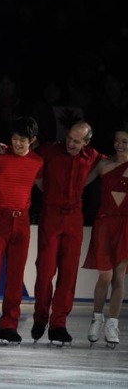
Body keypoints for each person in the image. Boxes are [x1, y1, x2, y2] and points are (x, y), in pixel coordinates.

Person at [30, 121, 105, 345]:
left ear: (86, 142)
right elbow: (27, 155)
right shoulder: (50, 150)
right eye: (69, 138)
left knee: (69, 273)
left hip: (74, 218)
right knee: (45, 270)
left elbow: (110, 165)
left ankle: (58, 324)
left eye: (76, 141)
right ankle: (40, 317)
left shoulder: (93, 156)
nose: (71, 143)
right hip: (51, 215)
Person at [0, 116, 44, 344]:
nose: (17, 144)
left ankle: (9, 325)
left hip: (22, 222)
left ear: (32, 140)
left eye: (22, 140)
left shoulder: (38, 162)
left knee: (15, 277)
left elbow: (45, 186)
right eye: (15, 139)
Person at [82, 123, 128, 348]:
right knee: (105, 277)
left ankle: (112, 323)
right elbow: (79, 184)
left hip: (126, 226)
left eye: (124, 142)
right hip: (104, 223)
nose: (119, 145)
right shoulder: (104, 165)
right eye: (117, 141)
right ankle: (97, 317)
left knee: (119, 277)